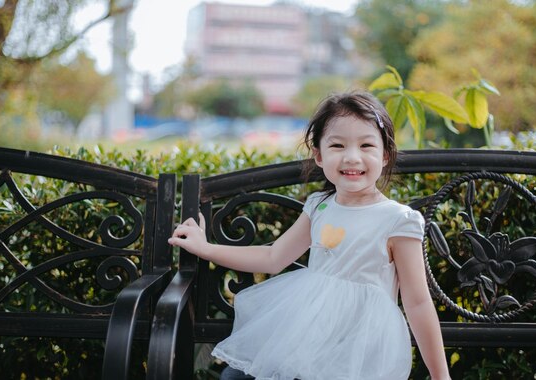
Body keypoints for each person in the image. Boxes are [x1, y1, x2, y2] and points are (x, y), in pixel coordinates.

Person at [168, 90, 450, 380]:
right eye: (338, 145)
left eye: (366, 145)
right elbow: (273, 257)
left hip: (357, 348)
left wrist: (441, 376)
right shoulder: (320, 206)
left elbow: (417, 302)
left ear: (385, 155)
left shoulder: (397, 220)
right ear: (319, 155)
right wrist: (206, 248)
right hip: (307, 336)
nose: (352, 157)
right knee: (235, 377)